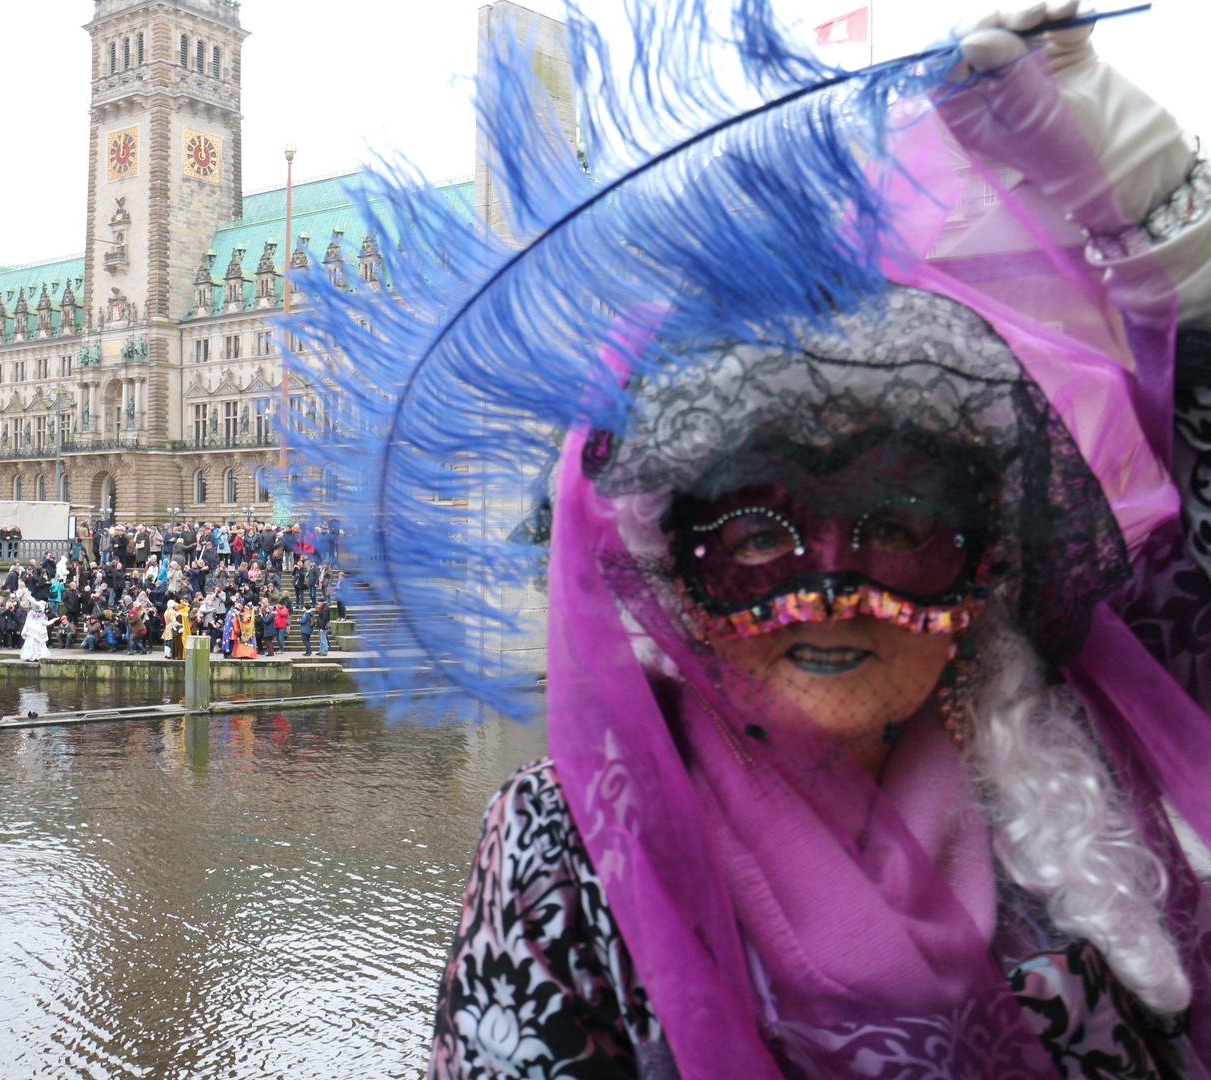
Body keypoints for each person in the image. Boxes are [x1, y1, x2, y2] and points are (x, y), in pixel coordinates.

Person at [283, 3, 1211, 1075]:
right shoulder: (569, 854)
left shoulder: (1098, 740)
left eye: (900, 526)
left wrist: (1166, 219)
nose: (825, 593)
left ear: (987, 552)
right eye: (757, 536)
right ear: (670, 565)